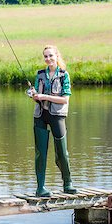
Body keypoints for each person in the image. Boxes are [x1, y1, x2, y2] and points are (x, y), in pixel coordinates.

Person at [31, 45, 77, 197]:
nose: (48, 59)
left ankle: (67, 183)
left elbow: (65, 99)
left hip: (57, 116)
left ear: (57, 56)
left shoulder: (64, 75)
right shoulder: (39, 74)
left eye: (51, 55)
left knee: (62, 152)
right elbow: (37, 93)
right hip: (40, 115)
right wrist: (34, 95)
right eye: (45, 56)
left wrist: (45, 97)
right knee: (40, 153)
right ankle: (40, 188)